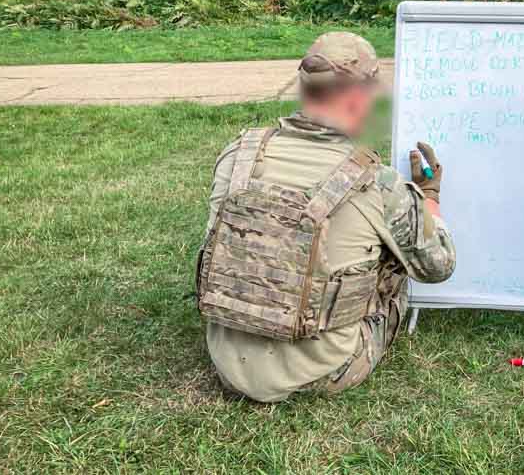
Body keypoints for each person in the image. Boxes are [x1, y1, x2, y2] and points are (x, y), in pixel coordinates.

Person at [195, 32, 455, 402]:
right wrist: (428, 197)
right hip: (327, 369)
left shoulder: (238, 154)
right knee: (397, 264)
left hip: (228, 361)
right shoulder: (378, 183)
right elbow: (438, 265)